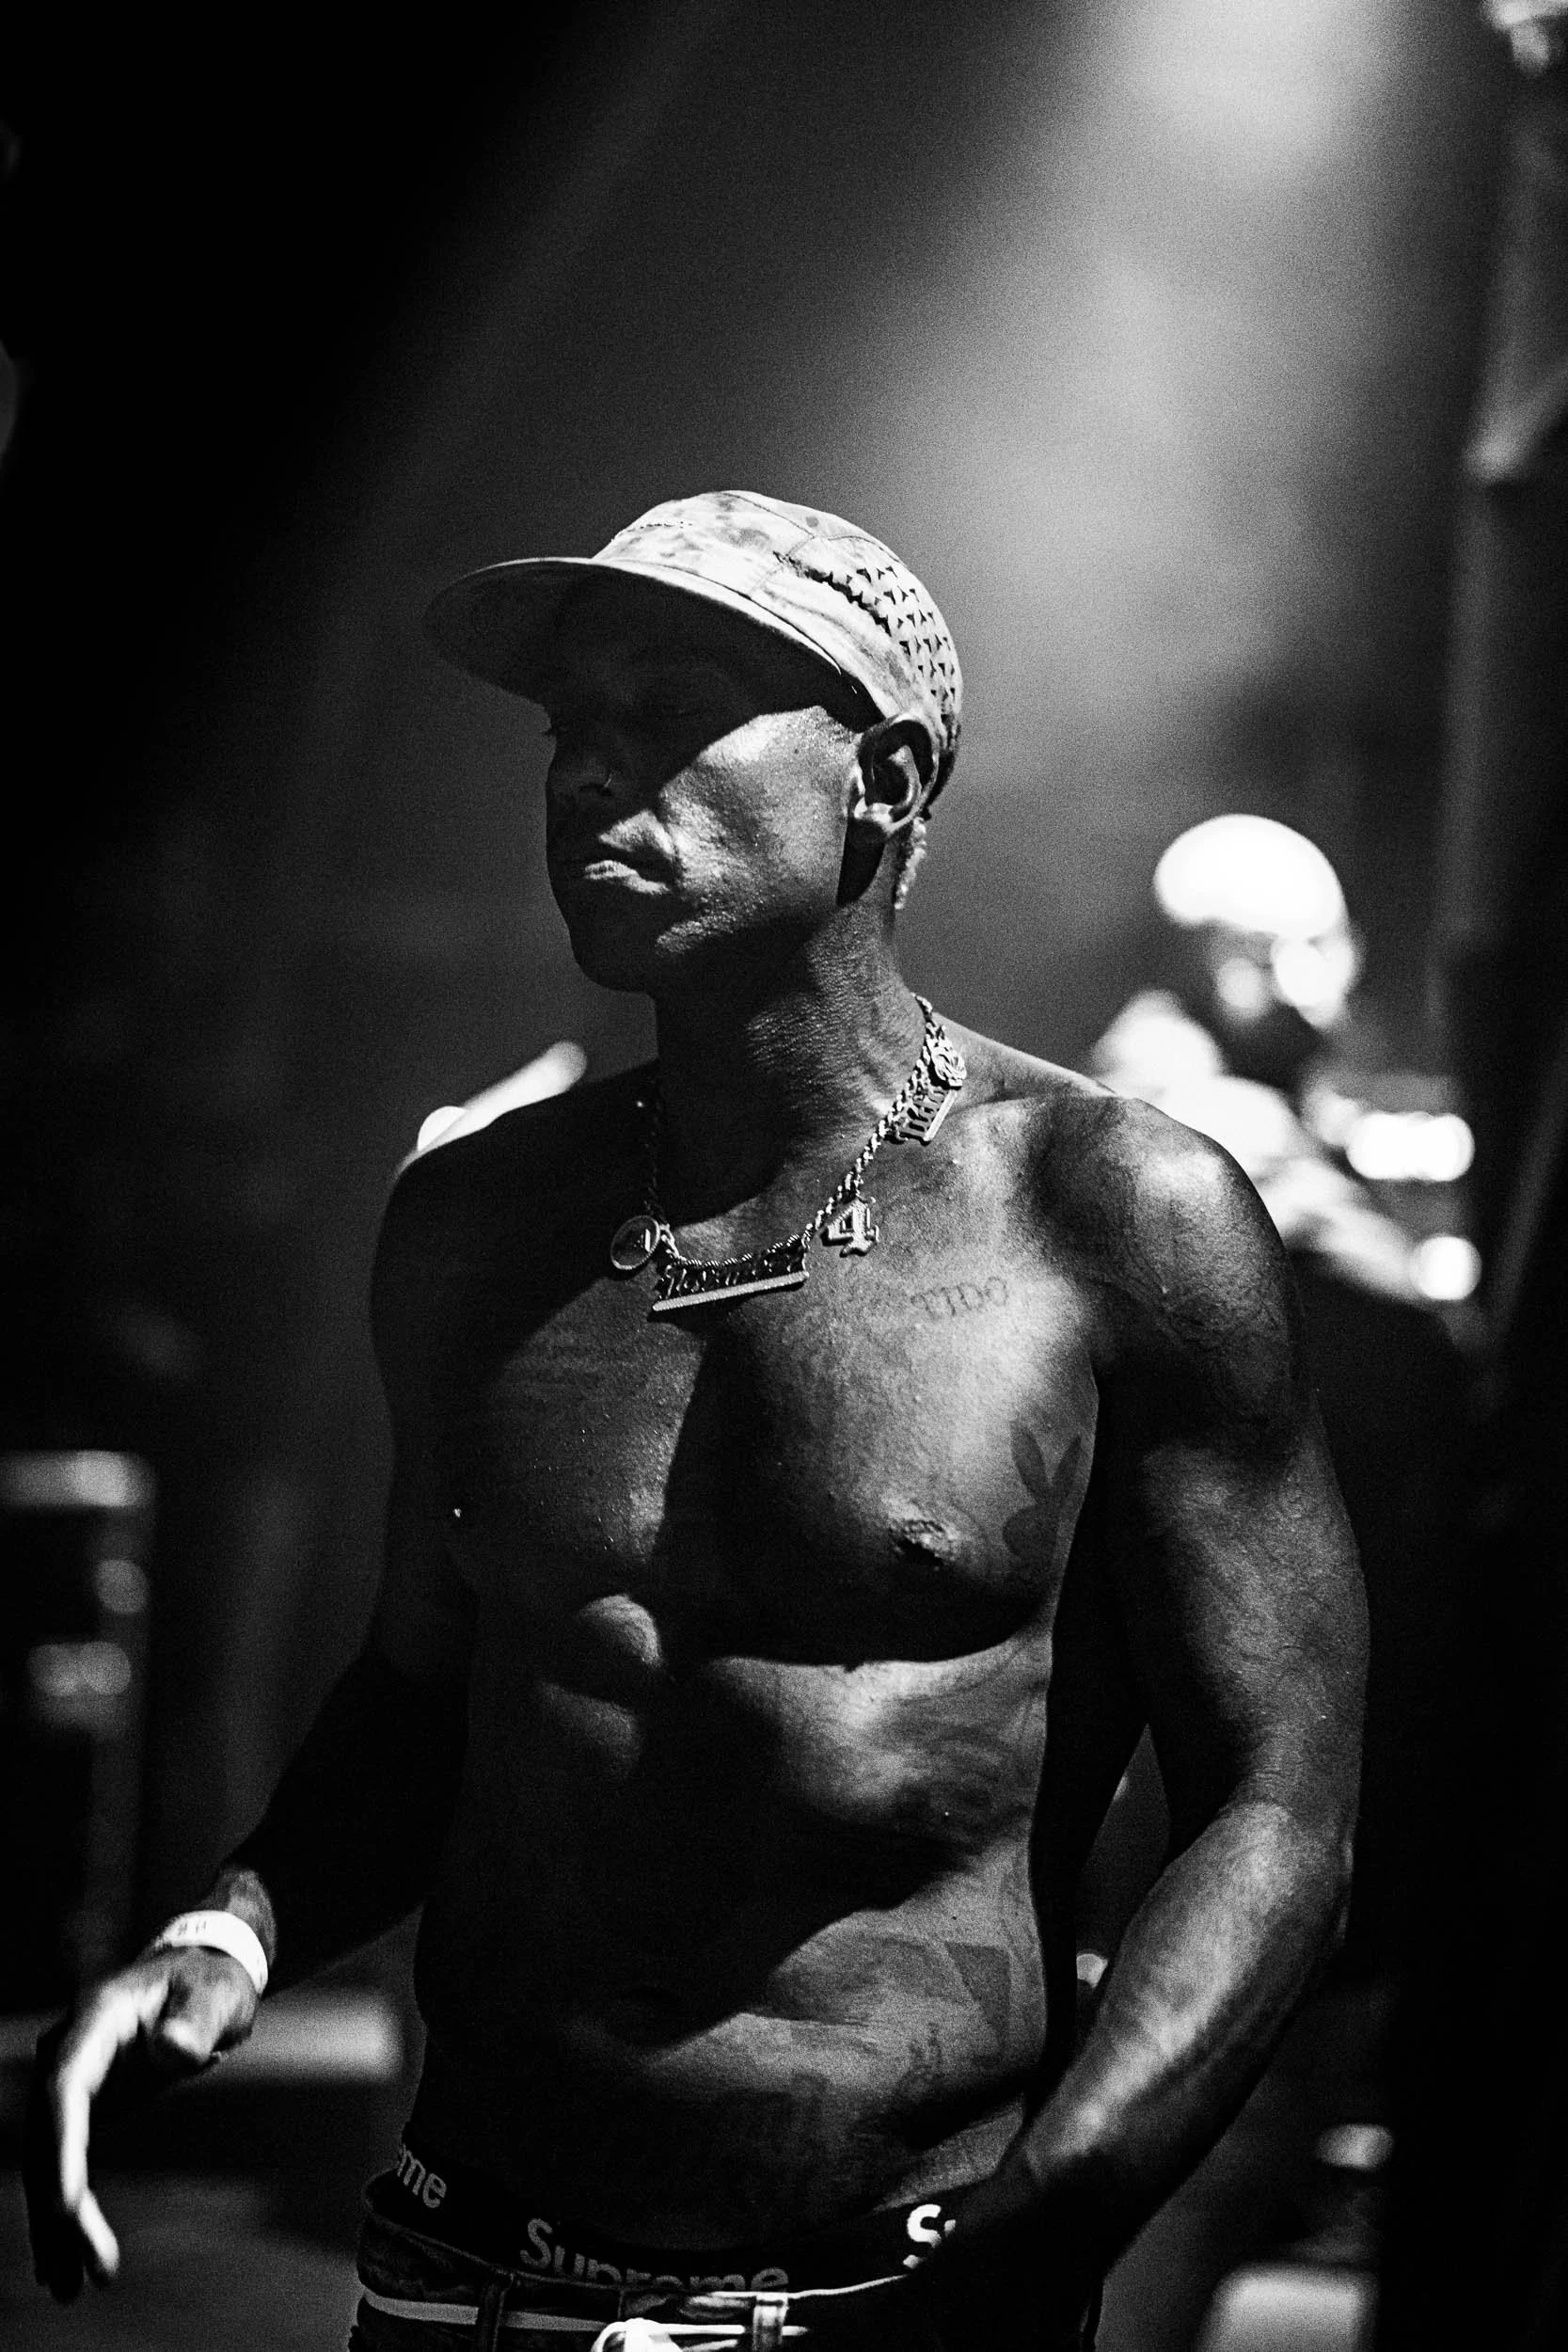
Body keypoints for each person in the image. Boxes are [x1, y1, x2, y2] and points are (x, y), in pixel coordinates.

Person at [25, 492, 1366, 2350]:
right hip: (460, 2270)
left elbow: (1276, 1800)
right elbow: (430, 1685)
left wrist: (1046, 2230)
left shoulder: (1114, 1216)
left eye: (666, 707)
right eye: (569, 721)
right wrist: (231, 1924)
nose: (585, 765)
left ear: (880, 783)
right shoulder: (472, 1222)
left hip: (896, 2285)